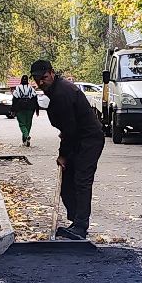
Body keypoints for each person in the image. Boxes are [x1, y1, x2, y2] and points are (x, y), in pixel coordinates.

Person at [33, 58, 105, 241]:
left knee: (81, 180)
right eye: (37, 79)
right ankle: (75, 221)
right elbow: (68, 128)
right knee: (67, 182)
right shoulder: (56, 90)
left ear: (52, 73)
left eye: (44, 77)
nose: (41, 82)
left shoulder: (62, 93)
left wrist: (63, 155)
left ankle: (81, 226)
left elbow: (70, 130)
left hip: (88, 140)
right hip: (77, 139)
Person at [11, 73, 40, 146]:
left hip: (20, 108)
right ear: (27, 81)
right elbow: (35, 99)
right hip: (30, 108)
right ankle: (25, 140)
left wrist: (13, 110)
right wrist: (37, 109)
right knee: (28, 124)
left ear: (21, 80)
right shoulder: (31, 88)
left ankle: (26, 136)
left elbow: (14, 100)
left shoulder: (17, 88)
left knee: (22, 124)